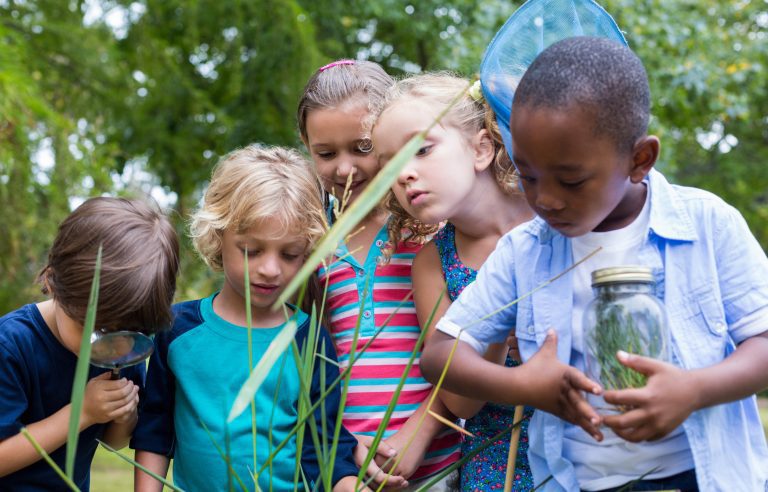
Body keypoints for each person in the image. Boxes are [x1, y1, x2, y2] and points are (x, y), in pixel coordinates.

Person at [420, 36, 768, 492]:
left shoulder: (708, 224)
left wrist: (695, 389)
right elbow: (440, 355)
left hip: (703, 478)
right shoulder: (524, 250)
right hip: (577, 483)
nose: (545, 199)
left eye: (571, 179)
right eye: (528, 175)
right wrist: (525, 385)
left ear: (639, 159)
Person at [132, 145, 362, 492]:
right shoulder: (177, 330)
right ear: (218, 236)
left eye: (290, 254)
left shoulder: (308, 339)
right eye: (251, 251)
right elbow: (155, 429)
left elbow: (324, 446)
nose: (270, 269)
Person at [298, 60, 461, 489]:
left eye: (363, 148)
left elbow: (461, 356)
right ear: (306, 146)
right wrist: (344, 452)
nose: (345, 168)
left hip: (440, 464)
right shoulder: (309, 249)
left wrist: (421, 432)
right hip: (348, 470)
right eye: (326, 153)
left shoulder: (436, 234)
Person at [370, 73, 535, 491]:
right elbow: (461, 399)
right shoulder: (432, 265)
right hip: (499, 462)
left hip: (585, 446)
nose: (404, 174)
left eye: (422, 149)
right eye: (390, 164)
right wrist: (496, 322)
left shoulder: (551, 220)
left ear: (480, 148)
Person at [0, 197, 180, 490]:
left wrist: (123, 413)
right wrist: (81, 412)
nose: (109, 345)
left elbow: (113, 441)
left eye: (127, 333)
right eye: (93, 327)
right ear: (53, 280)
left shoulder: (123, 348)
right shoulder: (11, 345)